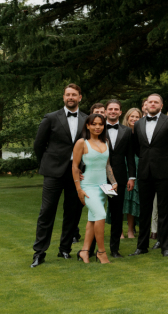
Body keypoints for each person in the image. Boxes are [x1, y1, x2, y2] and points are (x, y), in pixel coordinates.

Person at [31, 84, 87, 267]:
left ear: (80, 97)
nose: (70, 97)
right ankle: (39, 252)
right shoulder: (51, 118)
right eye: (67, 94)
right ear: (64, 97)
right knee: (47, 212)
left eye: (74, 95)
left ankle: (65, 249)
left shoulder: (87, 119)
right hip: (53, 173)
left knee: (73, 212)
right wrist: (46, 164)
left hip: (76, 173)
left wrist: (82, 167)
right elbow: (39, 145)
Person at [129, 94, 168, 257]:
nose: (152, 104)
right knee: (144, 210)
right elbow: (137, 148)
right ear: (145, 105)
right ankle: (142, 246)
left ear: (161, 105)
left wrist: (167, 162)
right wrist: (146, 160)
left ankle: (165, 247)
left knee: (164, 210)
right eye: (150, 102)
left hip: (164, 173)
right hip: (145, 173)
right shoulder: (138, 124)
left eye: (156, 102)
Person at [72, 113, 117, 264]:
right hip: (87, 186)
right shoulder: (81, 143)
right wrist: (79, 188)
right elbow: (75, 166)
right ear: (88, 125)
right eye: (94, 124)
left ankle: (84, 251)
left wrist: (113, 181)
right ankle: (101, 252)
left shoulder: (106, 142)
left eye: (100, 124)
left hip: (102, 187)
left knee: (93, 219)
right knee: (100, 215)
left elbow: (107, 165)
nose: (97, 127)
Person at [103, 100, 135, 258]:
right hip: (100, 177)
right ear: (106, 111)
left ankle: (114, 249)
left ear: (120, 112)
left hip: (119, 179)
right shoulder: (98, 128)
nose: (113, 111)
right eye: (110, 109)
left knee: (116, 214)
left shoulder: (127, 131)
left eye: (116, 109)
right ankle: (95, 248)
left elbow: (130, 156)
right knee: (97, 212)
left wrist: (131, 177)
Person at [122, 108, 142, 239]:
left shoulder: (142, 133)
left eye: (137, 117)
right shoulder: (122, 131)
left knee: (133, 199)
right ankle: (119, 231)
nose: (134, 119)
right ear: (127, 118)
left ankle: (130, 230)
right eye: (132, 116)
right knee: (120, 199)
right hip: (122, 165)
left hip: (138, 167)